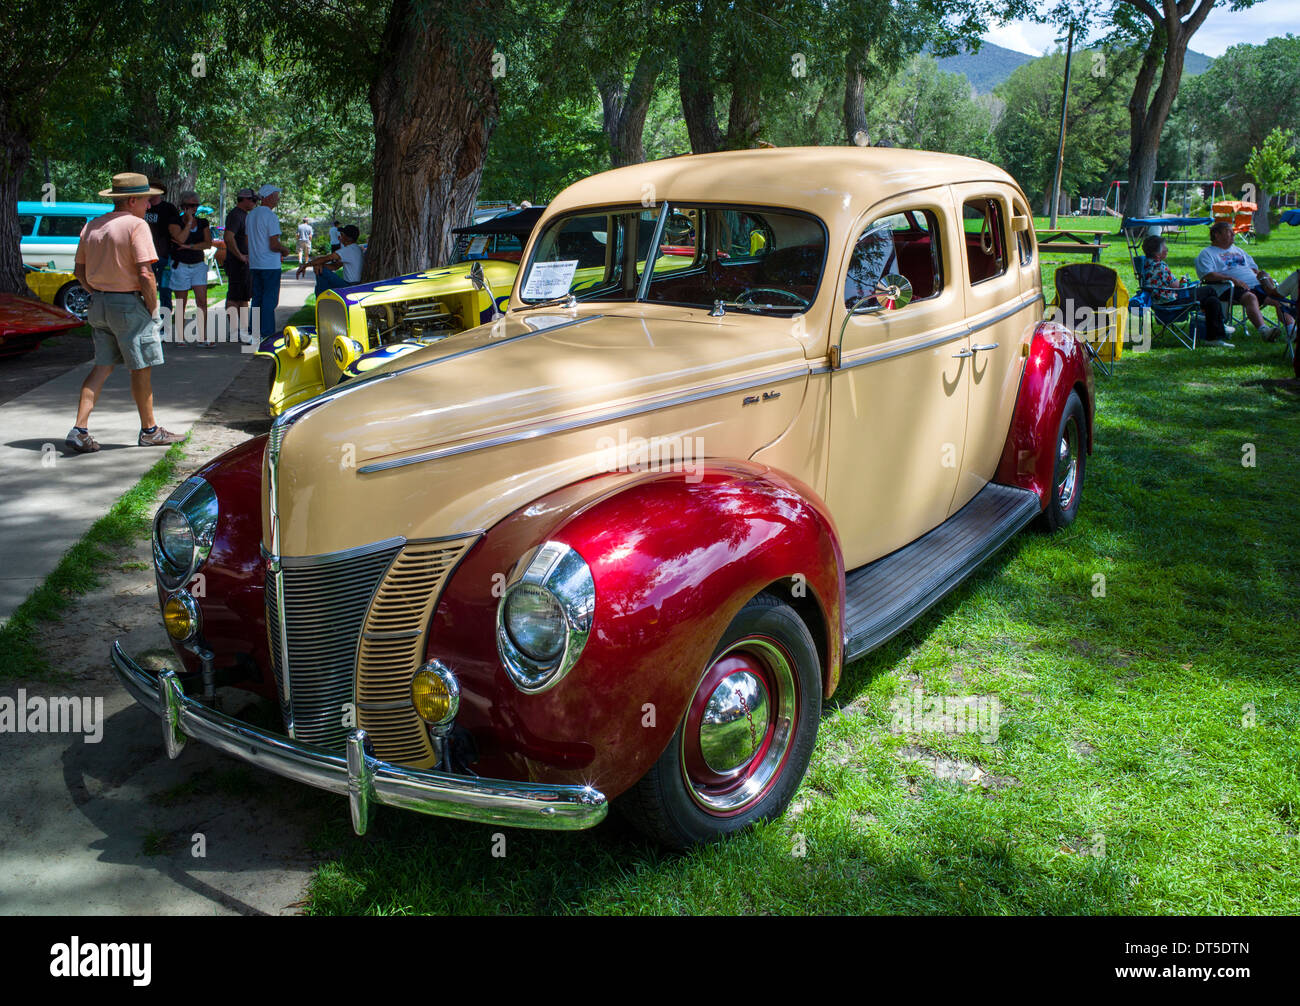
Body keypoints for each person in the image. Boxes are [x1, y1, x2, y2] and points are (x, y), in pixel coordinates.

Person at [65, 172, 186, 453]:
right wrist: (153, 308)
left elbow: (79, 272)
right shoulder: (136, 225)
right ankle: (150, 431)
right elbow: (146, 273)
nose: (149, 206)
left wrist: (96, 292)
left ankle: (79, 429)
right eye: (145, 200)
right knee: (141, 368)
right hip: (129, 305)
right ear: (132, 200)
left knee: (101, 367)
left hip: (99, 305)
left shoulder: (92, 226)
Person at [1195, 220, 1295, 340]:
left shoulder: (1238, 250)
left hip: (1255, 285)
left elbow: (1254, 270)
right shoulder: (1207, 253)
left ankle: (1293, 331)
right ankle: (1264, 331)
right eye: (1229, 232)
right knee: (1250, 297)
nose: (1233, 234)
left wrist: (1264, 276)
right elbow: (1207, 275)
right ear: (1217, 235)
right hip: (1228, 287)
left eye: (1233, 232)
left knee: (1279, 298)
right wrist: (1232, 279)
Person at [1142, 234, 1231, 345]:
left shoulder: (1146, 264)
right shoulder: (1160, 266)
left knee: (1211, 301)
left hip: (1159, 302)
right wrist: (1184, 282)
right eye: (1164, 247)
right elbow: (1177, 287)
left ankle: (1213, 338)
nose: (1167, 249)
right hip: (1171, 302)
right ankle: (1220, 324)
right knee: (1209, 290)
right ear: (1157, 254)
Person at [246, 184, 293, 340]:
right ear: (269, 197)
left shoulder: (251, 215)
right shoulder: (271, 216)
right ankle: (267, 334)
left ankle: (254, 332)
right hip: (270, 264)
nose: (277, 199)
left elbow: (248, 241)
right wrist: (285, 250)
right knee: (269, 300)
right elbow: (273, 244)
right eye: (276, 196)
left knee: (257, 298)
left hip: (255, 263)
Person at [168, 190, 213, 342]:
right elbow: (180, 237)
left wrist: (189, 246)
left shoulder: (203, 222)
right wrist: (187, 223)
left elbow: (208, 243)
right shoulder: (175, 222)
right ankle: (180, 336)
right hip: (180, 265)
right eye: (190, 205)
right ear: (183, 206)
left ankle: (202, 336)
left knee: (202, 301)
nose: (194, 208)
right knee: (181, 302)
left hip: (198, 264)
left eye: (196, 205)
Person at [223, 188, 256, 338]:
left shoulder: (244, 215)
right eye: (253, 200)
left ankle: (242, 330)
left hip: (243, 264)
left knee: (243, 298)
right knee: (234, 297)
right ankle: (236, 330)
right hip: (236, 263)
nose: (254, 203)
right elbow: (228, 237)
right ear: (244, 199)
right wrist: (240, 256)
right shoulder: (236, 215)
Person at [297, 224, 364, 294]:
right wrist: (320, 265)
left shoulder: (348, 250)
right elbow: (335, 266)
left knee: (320, 271)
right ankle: (324, 298)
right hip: (354, 285)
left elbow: (325, 258)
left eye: (342, 235)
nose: (339, 237)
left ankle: (321, 299)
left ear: (348, 238)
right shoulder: (355, 248)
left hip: (351, 286)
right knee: (319, 268)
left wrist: (305, 266)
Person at [142, 181, 178, 313]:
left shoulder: (169, 209)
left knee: (165, 291)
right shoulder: (142, 208)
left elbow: (176, 230)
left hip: (163, 256)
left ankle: (165, 323)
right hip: (144, 257)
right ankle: (147, 321)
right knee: (145, 290)